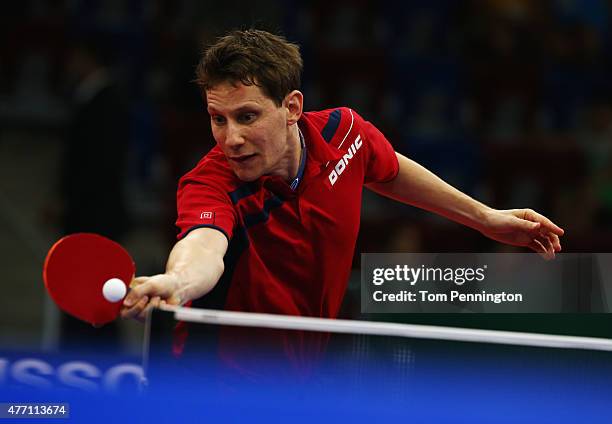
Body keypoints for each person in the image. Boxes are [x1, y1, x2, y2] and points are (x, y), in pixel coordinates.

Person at [121, 29, 564, 323]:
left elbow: (387, 168)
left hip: (309, 368)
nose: (231, 138)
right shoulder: (211, 183)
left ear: (292, 108)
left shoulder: (343, 131)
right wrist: (177, 281)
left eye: (247, 116)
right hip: (221, 379)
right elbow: (204, 246)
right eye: (218, 119)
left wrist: (485, 218)